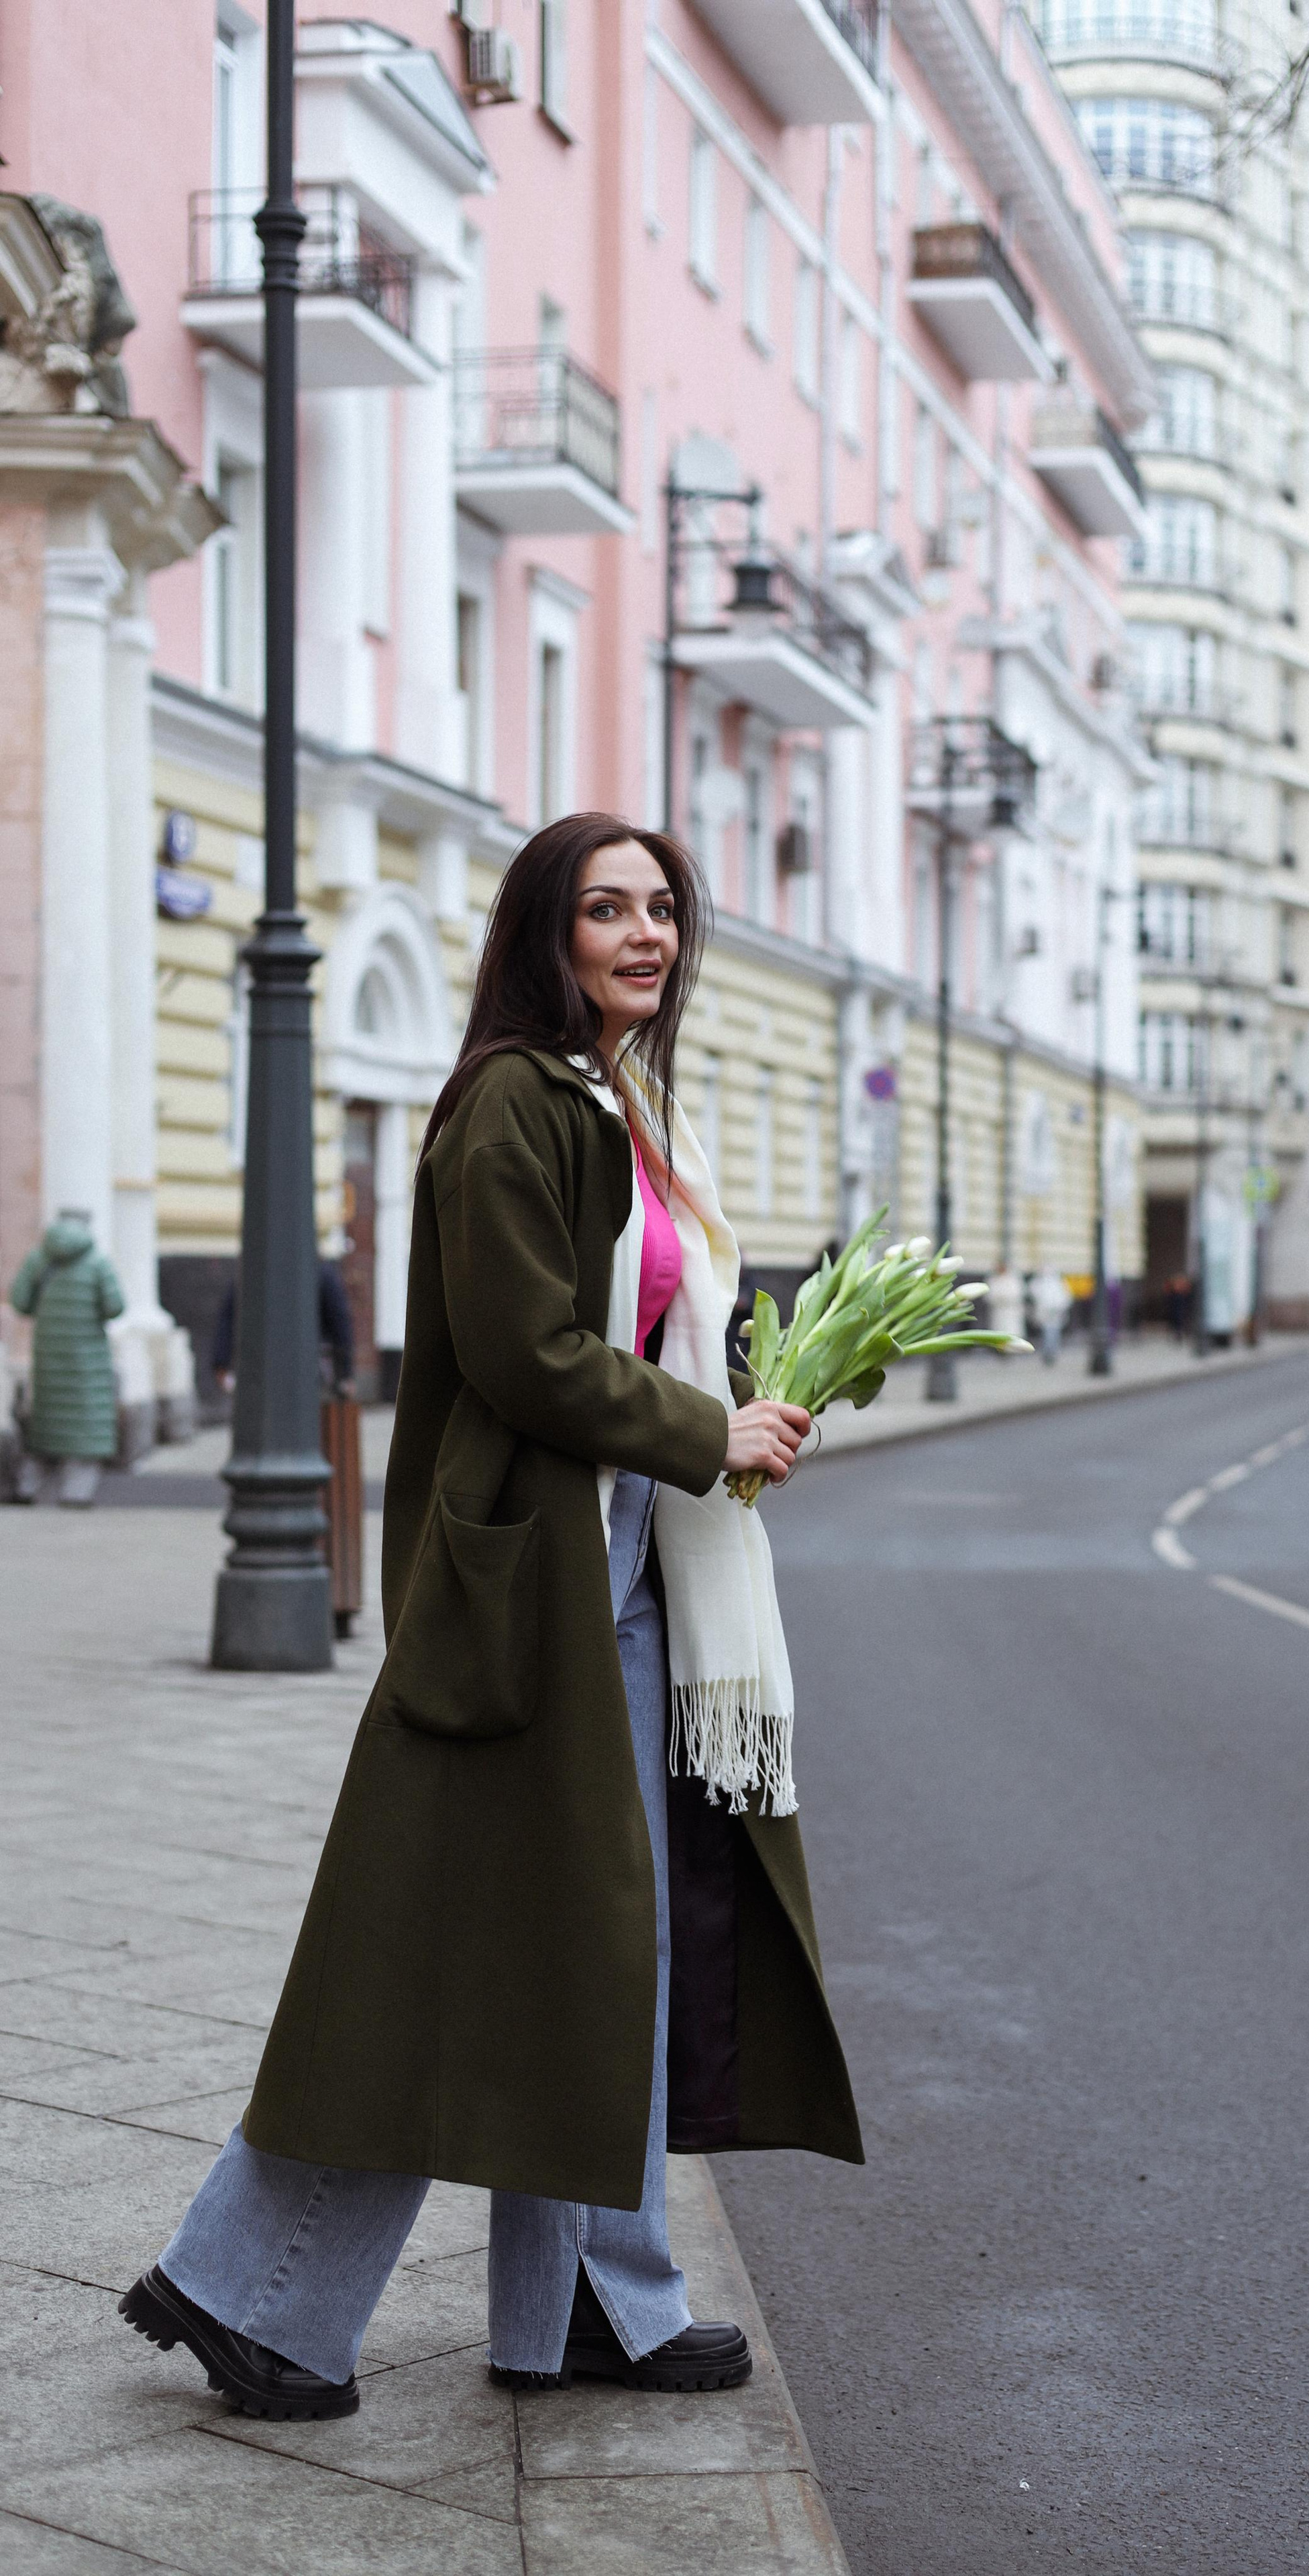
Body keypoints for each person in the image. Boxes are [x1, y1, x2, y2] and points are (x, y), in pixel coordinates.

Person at [119, 813, 861, 2420]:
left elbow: (650, 1325)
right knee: (437, 1952)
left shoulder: (626, 1101)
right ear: (545, 931)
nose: (645, 933)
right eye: (607, 908)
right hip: (525, 1583)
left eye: (663, 907)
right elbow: (525, 1346)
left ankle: (594, 2296)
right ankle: (249, 2286)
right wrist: (698, 1433)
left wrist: (748, 1403)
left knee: (600, 1940)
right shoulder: (512, 1104)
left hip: (624, 1564)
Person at [8, 1209, 125, 1506]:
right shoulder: (98, 1263)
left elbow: (19, 1301)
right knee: (83, 1424)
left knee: (44, 1421)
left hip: (48, 1353)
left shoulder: (39, 1258)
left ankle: (28, 1487)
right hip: (88, 1359)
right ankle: (76, 1493)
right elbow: (115, 1307)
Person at [211, 1260, 356, 1397]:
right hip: (306, 1370)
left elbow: (228, 1317)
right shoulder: (320, 1272)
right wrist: (346, 1373)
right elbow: (340, 1323)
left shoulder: (253, 1271)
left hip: (263, 1369)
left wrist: (221, 1365)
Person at [1028, 1266, 1071, 1364]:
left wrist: (1059, 1307)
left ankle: (1052, 1352)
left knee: (1054, 1333)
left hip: (1056, 1313)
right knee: (1047, 1333)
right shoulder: (1040, 1282)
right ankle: (1047, 1353)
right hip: (1045, 1313)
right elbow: (1034, 1293)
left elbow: (1065, 1297)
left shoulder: (1058, 1283)